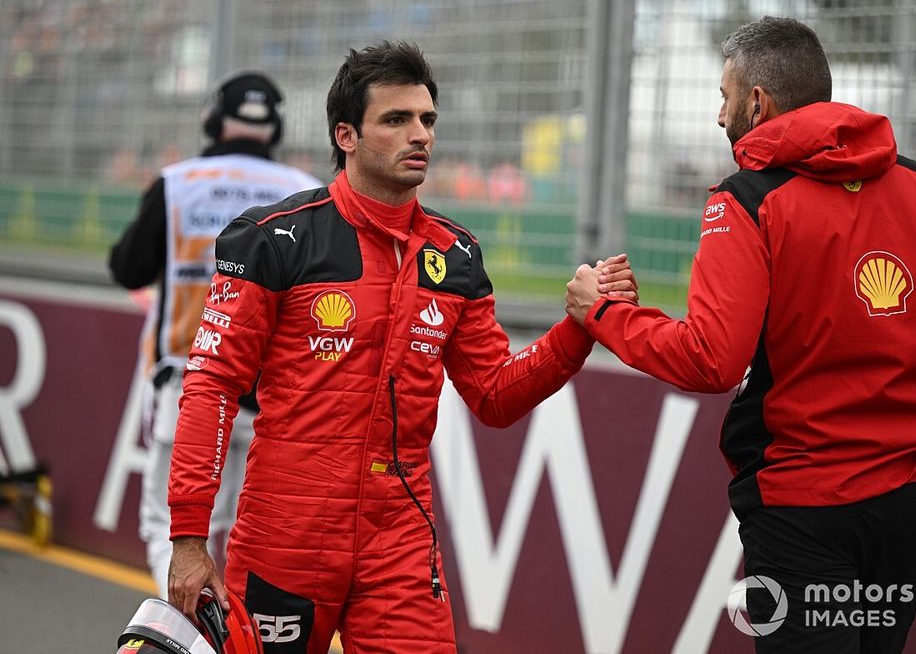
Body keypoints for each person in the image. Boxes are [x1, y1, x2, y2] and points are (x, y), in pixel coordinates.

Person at [165, 40, 636, 653]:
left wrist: (578, 328)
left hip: (401, 535)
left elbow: (495, 394)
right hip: (288, 529)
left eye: (427, 120)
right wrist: (188, 537)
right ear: (347, 136)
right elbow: (212, 386)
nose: (420, 135)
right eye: (396, 119)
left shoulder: (456, 255)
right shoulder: (273, 239)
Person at [566, 16, 916, 653]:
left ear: (756, 102)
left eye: (723, 97)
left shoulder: (745, 200)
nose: (719, 117)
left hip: (802, 508)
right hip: (911, 505)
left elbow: (711, 361)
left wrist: (602, 315)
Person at [109, 70, 323, 598]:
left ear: (212, 118)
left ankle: (191, 638)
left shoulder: (177, 183)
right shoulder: (305, 192)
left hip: (188, 383)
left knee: (171, 532)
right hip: (270, 395)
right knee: (228, 532)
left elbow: (127, 269)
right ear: (274, 126)